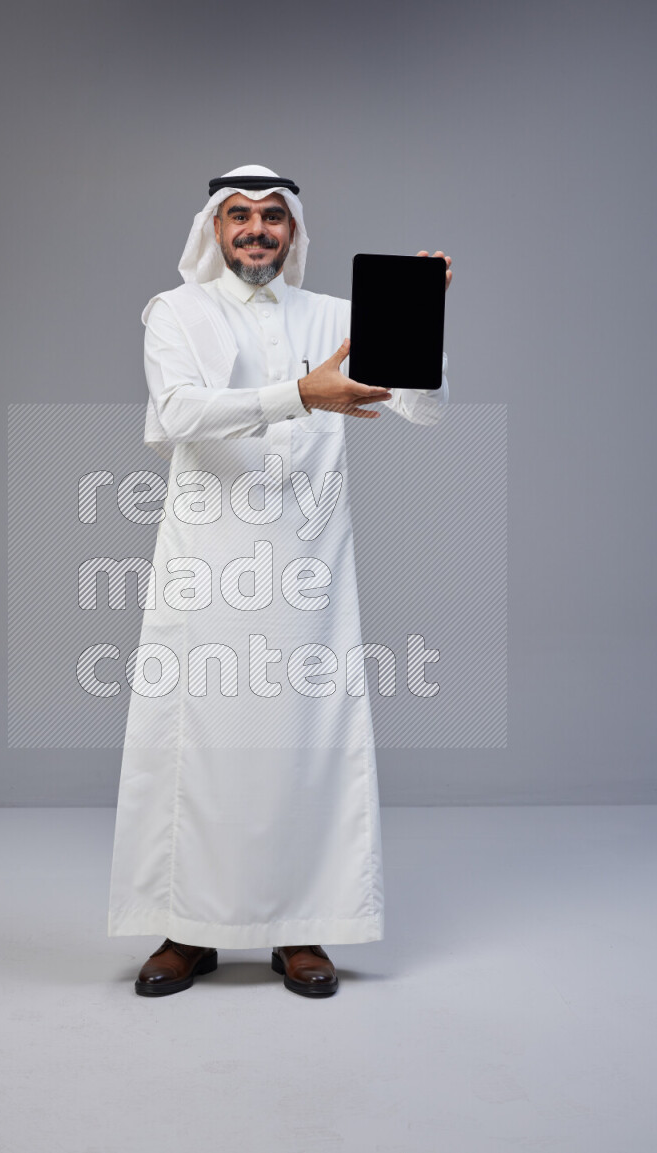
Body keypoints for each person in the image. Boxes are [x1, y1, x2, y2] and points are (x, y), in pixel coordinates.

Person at [108, 164, 453, 998]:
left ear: (294, 233)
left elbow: (424, 407)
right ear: (214, 229)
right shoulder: (176, 312)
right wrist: (302, 391)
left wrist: (422, 319)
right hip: (206, 571)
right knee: (198, 750)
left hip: (308, 576)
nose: (256, 229)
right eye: (239, 215)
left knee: (304, 747)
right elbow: (179, 414)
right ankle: (185, 931)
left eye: (273, 217)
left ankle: (302, 929)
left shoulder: (335, 317)